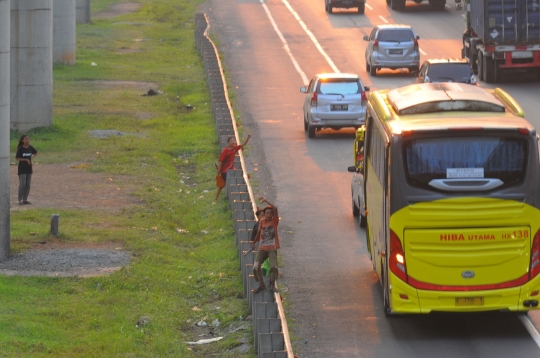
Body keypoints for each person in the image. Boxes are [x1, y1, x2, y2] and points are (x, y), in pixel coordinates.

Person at [252, 197, 280, 293]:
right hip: (262, 248)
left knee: (273, 267)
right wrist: (254, 242)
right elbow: (259, 233)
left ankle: (272, 285)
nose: (269, 215)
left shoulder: (275, 221)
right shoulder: (262, 222)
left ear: (273, 215)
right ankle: (262, 284)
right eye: (267, 213)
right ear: (264, 214)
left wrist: (266, 201)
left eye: (270, 213)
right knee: (256, 266)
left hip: (272, 248)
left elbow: (275, 208)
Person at [214, 134, 251, 200]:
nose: (233, 142)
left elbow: (243, 144)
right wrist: (219, 169)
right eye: (231, 141)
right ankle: (217, 196)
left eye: (234, 140)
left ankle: (217, 197)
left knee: (225, 183)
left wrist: (248, 137)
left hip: (231, 169)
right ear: (228, 143)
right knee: (223, 183)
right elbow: (221, 161)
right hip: (224, 170)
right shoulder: (225, 151)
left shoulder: (235, 148)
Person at [15, 134, 38, 205]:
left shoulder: (30, 147)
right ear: (22, 140)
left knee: (28, 184)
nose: (27, 140)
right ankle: (20, 200)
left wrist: (31, 159)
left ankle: (25, 199)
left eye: (28, 139)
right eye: (26, 139)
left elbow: (36, 153)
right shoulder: (20, 148)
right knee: (22, 184)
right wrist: (26, 160)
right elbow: (17, 158)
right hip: (22, 168)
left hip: (29, 168)